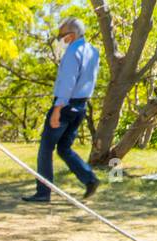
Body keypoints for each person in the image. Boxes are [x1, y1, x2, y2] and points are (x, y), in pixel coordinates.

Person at [24, 17, 101, 202]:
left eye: (62, 36)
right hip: (81, 105)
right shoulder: (93, 51)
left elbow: (68, 82)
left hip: (65, 105)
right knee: (64, 148)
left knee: (45, 149)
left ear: (72, 35)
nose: (61, 39)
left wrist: (58, 108)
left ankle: (43, 192)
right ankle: (90, 179)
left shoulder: (72, 52)